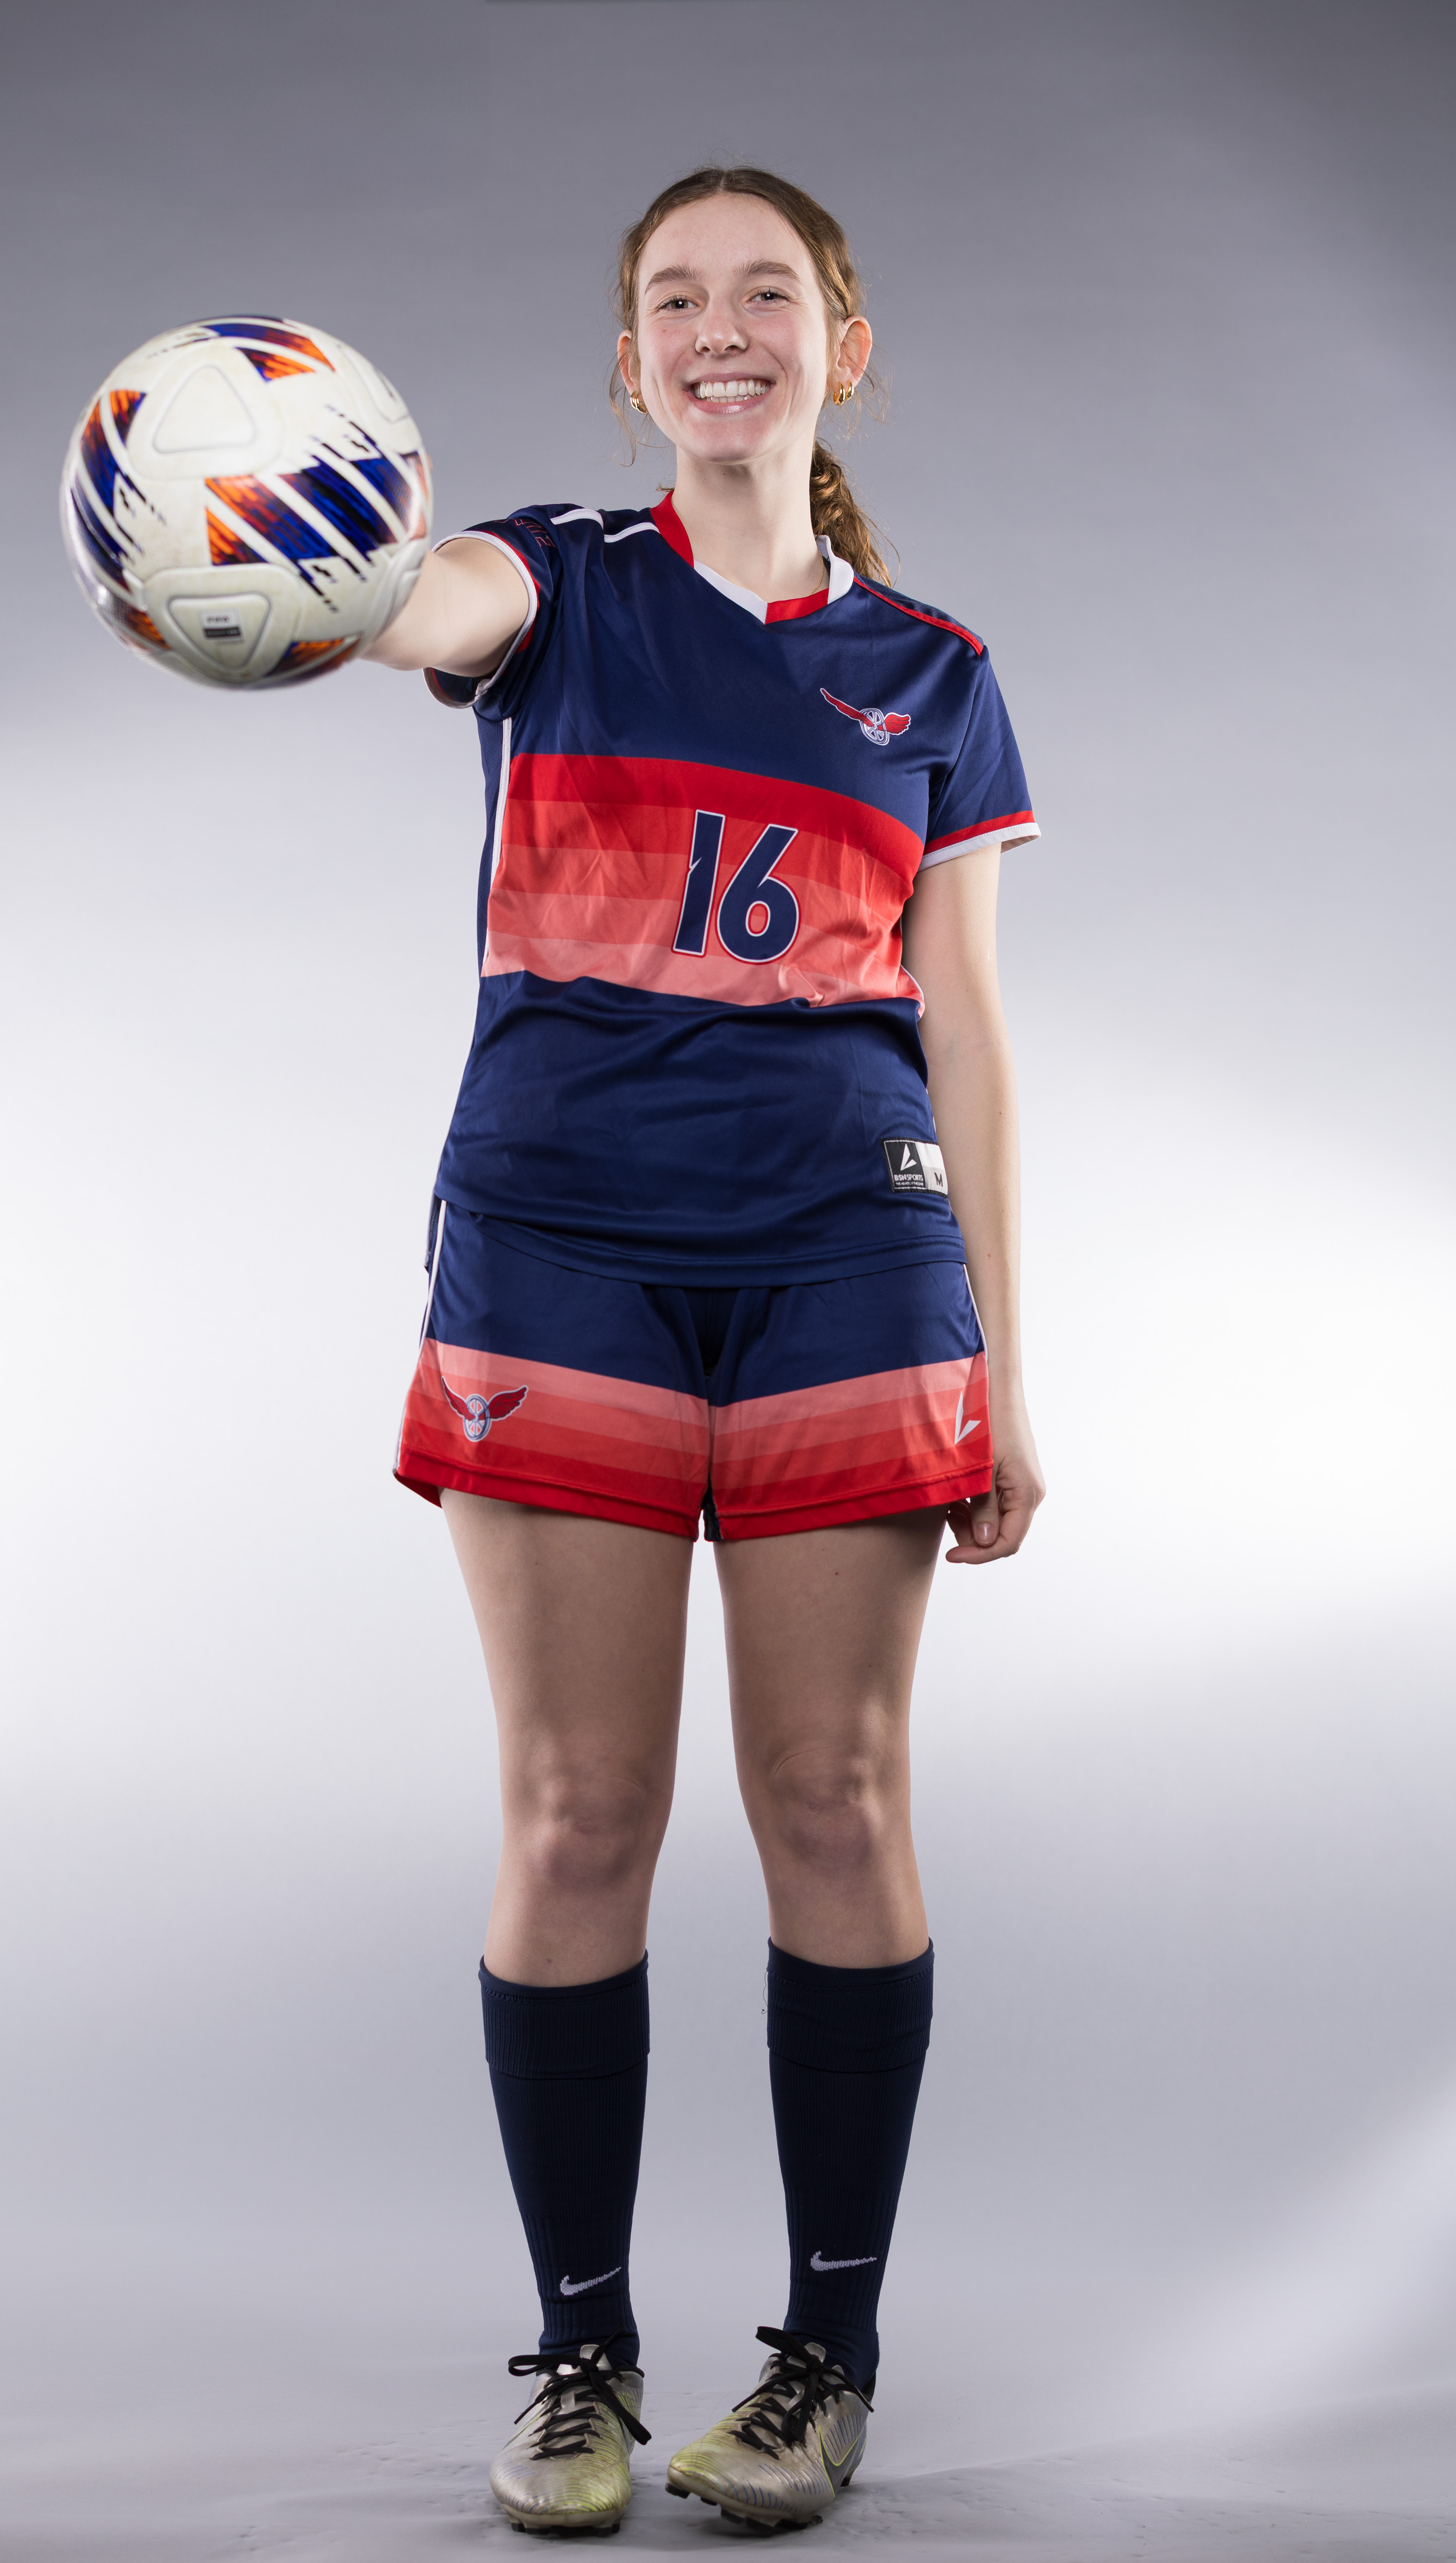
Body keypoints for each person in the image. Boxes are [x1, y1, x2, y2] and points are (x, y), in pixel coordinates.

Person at [362, 163, 1044, 2537]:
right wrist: (279, 540)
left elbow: (968, 1031)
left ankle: (825, 2358)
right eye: (678, 298)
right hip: (563, 1261)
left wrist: (1011, 1363)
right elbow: (406, 602)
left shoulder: (935, 672)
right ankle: (582, 2357)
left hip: (851, 1268)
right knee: (581, 1814)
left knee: (834, 1799)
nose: (722, 329)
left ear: (844, 346)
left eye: (770, 294)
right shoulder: (554, 584)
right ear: (631, 356)